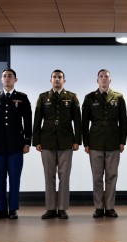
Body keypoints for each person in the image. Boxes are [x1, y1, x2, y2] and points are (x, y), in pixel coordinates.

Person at [33, 70, 82, 220]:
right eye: (54, 77)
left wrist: (76, 141)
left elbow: (78, 121)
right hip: (47, 140)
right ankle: (50, 208)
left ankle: (62, 208)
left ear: (64, 81)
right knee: (49, 176)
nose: (57, 80)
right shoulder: (43, 97)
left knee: (64, 176)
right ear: (50, 80)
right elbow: (37, 120)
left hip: (66, 140)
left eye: (59, 77)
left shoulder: (71, 97)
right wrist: (37, 141)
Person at [0, 68, 32, 220]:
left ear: (15, 80)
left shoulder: (22, 98)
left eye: (10, 76)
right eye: (4, 76)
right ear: (1, 79)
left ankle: (12, 209)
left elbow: (28, 121)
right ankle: (0, 209)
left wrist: (27, 141)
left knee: (14, 178)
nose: (7, 78)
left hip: (16, 145)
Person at [82, 69, 127, 218]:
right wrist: (86, 143)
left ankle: (110, 207)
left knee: (112, 176)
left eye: (106, 77)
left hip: (114, 141)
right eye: (101, 77)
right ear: (97, 80)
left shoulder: (118, 97)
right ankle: (99, 207)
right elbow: (84, 122)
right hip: (95, 141)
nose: (103, 79)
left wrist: (122, 141)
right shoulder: (89, 98)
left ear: (110, 80)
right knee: (97, 176)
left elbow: (124, 121)